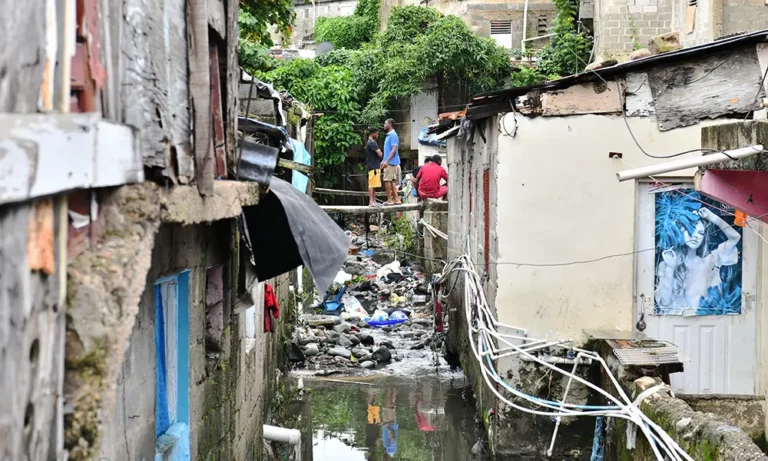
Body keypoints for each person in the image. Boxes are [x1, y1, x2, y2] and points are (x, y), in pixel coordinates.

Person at [655, 197, 742, 313]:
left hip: (709, 324)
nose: (696, 236)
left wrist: (713, 218)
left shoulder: (711, 260)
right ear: (681, 231)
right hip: (675, 325)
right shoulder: (668, 263)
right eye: (692, 230)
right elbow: (664, 304)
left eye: (700, 233)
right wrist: (670, 268)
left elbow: (735, 237)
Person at [381, 119, 402, 205]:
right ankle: (397, 199)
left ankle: (390, 200)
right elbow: (387, 150)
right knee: (392, 181)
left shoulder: (393, 135)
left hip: (390, 162)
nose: (384, 125)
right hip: (388, 162)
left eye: (385, 123)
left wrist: (387, 161)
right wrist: (383, 160)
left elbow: (394, 150)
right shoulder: (389, 135)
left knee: (386, 180)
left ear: (390, 124)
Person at [365, 127, 384, 207]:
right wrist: (381, 154)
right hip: (373, 166)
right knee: (372, 185)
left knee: (373, 184)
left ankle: (374, 201)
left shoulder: (369, 142)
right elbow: (379, 153)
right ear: (373, 133)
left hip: (373, 166)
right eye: (376, 133)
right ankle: (371, 202)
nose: (377, 135)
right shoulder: (372, 143)